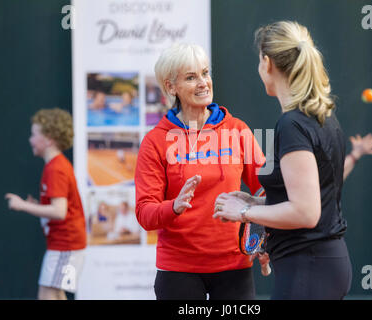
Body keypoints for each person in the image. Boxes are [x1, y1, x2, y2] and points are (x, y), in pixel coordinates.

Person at [213, 20, 357, 300]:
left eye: (258, 61)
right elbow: (307, 200)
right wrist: (255, 202)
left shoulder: (293, 124)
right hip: (321, 266)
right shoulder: (319, 117)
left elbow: (305, 212)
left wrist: (243, 213)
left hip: (309, 269)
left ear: (267, 63)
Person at [135, 43, 266, 300]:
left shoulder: (238, 130)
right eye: (191, 77)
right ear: (171, 87)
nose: (203, 83)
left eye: (205, 73)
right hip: (178, 269)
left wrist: (261, 237)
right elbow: (144, 212)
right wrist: (174, 206)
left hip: (234, 267)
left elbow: (265, 189)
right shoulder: (154, 141)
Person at [5, 108, 87, 300]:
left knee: (47, 295)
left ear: (49, 139)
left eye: (34, 135)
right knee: (55, 294)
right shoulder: (57, 165)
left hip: (65, 245)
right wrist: (37, 206)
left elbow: (59, 211)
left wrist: (23, 205)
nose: (30, 140)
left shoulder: (55, 168)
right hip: (68, 245)